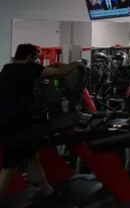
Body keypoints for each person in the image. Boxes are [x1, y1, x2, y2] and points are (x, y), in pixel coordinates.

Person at [0, 44, 84, 200]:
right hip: (16, 126)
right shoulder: (29, 68)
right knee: (9, 167)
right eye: (35, 58)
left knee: (32, 158)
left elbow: (53, 69)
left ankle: (48, 191)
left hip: (9, 121)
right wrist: (77, 64)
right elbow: (58, 72)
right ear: (30, 58)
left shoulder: (7, 69)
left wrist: (60, 66)